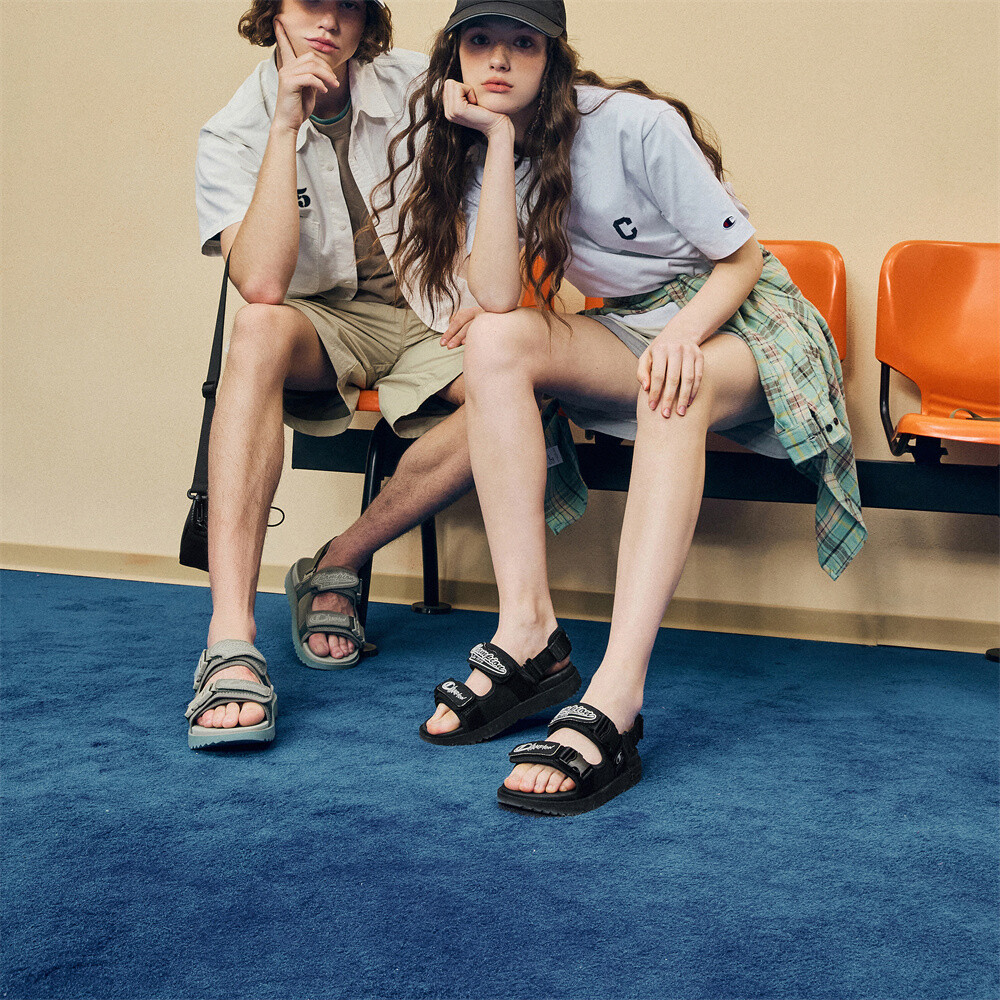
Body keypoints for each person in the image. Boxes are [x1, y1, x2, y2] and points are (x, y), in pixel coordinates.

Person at [381, 0, 867, 813]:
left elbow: (742, 261)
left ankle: (616, 694)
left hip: (745, 321)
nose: (498, 60)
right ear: (455, 54)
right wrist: (496, 141)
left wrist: (683, 335)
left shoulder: (635, 125)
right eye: (480, 41)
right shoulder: (482, 145)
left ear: (554, 57)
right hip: (635, 325)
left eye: (522, 43)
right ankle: (527, 634)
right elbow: (496, 296)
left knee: (671, 387)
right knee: (496, 341)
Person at [187, 0, 478, 749]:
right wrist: (285, 128)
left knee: (520, 384)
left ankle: (340, 559)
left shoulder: (418, 83)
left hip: (433, 310)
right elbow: (261, 283)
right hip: (326, 322)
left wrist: (487, 289)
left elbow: (517, 160)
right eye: (312, 1)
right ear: (274, 11)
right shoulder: (233, 131)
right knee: (256, 326)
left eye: (349, 3)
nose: (330, 20)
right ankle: (230, 639)